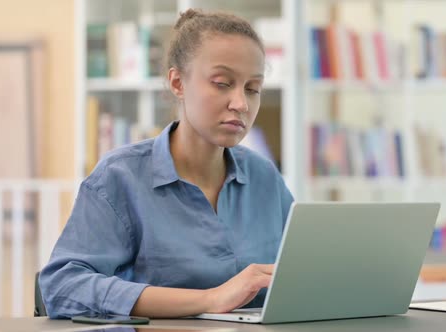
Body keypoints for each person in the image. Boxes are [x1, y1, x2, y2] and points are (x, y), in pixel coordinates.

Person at [39, 8, 294, 319]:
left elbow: (305, 275)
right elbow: (63, 286)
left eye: (253, 89)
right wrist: (210, 299)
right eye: (222, 83)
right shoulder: (121, 177)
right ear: (178, 83)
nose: (241, 103)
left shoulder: (265, 177)